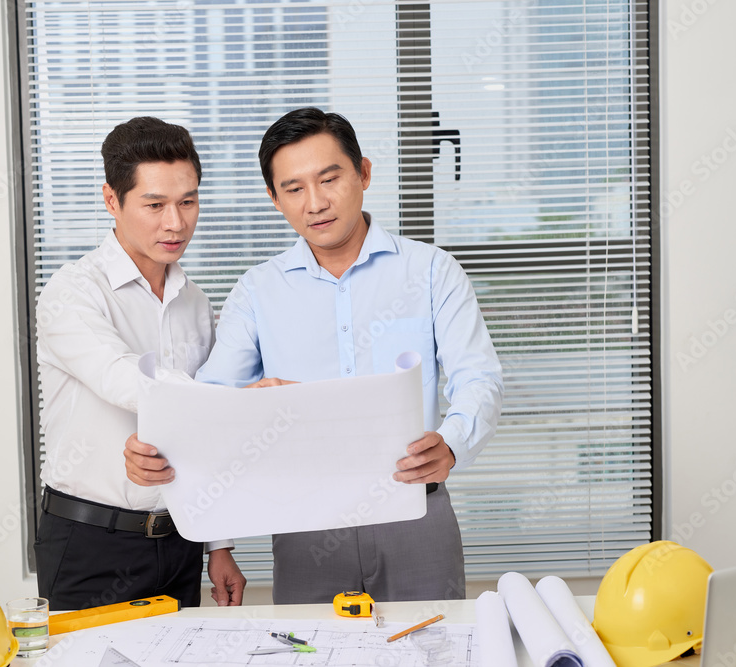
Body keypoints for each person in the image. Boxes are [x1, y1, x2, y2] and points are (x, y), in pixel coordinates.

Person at [125, 108, 503, 604]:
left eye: (330, 178)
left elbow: (479, 379)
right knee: (309, 654)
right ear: (274, 198)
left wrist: (451, 443)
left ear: (363, 173)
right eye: (294, 188)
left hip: (416, 514)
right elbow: (211, 400)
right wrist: (180, 433)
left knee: (433, 652)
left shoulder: (432, 272)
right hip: (304, 524)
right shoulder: (258, 291)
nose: (317, 203)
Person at [34, 116, 245, 611]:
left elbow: (201, 438)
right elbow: (121, 375)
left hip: (180, 540)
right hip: (91, 541)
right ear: (113, 200)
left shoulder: (194, 301)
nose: (175, 222)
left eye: (188, 201)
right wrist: (232, 404)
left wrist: (220, 545)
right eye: (155, 205)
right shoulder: (72, 291)